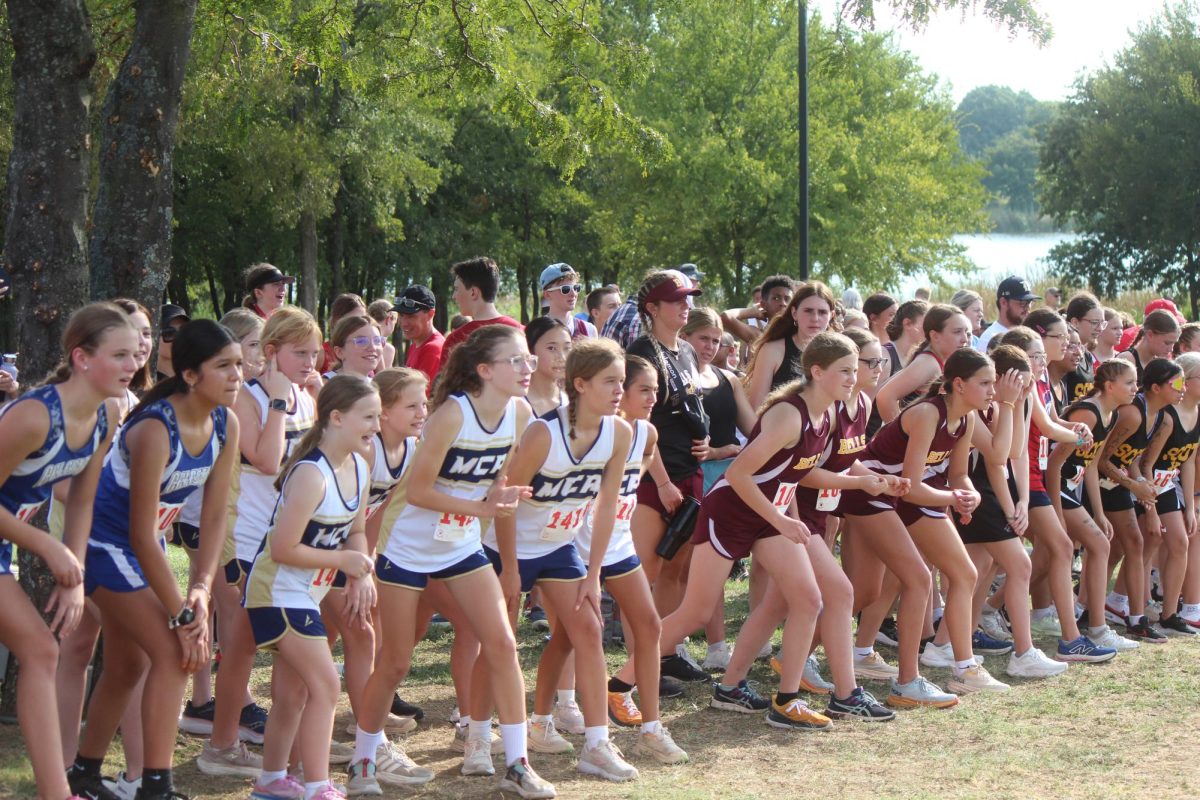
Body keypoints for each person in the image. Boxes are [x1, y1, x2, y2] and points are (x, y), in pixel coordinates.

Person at [658, 333, 899, 727]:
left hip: (779, 512)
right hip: (757, 511)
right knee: (699, 611)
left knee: (796, 600)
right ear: (817, 371)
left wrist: (868, 481)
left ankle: (750, 687)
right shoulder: (797, 412)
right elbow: (751, 474)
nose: (860, 376)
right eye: (851, 368)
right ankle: (622, 679)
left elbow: (807, 471)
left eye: (866, 367)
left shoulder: (837, 407)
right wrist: (784, 518)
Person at [371, 325, 555, 798]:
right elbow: (419, 490)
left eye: (526, 359)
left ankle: (516, 763)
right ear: (485, 370)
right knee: (394, 662)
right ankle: (362, 759)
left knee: (502, 644)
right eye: (515, 360)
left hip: (460, 546)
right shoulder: (452, 413)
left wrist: (500, 506)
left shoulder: (519, 412)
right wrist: (484, 508)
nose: (526, 366)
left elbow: (494, 489)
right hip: (405, 547)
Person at [73, 320, 241, 800]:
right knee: (175, 652)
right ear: (190, 375)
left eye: (240, 365)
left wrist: (202, 589)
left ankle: (84, 775)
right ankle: (155, 785)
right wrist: (184, 615)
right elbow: (141, 535)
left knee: (126, 665)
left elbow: (213, 520)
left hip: (141, 548)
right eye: (224, 366)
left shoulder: (227, 422)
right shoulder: (154, 428)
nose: (237, 376)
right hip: (104, 547)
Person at [1, 304, 136, 800]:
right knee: (42, 649)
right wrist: (45, 546)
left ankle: (53, 792)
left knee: (41, 649)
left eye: (134, 355)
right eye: (119, 354)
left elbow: (83, 497)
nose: (132, 364)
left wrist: (73, 573)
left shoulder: (107, 413)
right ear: (81, 357)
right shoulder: (35, 415)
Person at [847, 349, 1010, 706]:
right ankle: (950, 670)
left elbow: (958, 475)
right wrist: (953, 498)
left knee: (911, 579)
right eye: (984, 383)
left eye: (993, 383)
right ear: (958, 384)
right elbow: (913, 484)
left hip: (906, 494)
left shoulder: (965, 419)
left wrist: (968, 496)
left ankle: (868, 654)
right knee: (933, 577)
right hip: (878, 493)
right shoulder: (926, 413)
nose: (992, 392)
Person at [242, 376, 377, 800]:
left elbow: (356, 532)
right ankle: (318, 785)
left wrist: (361, 573)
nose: (377, 424)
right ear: (336, 418)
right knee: (326, 686)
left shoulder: (359, 464)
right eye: (368, 416)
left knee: (293, 693)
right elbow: (282, 548)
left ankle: (270, 781)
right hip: (276, 593)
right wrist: (342, 562)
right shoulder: (310, 474)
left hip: (305, 594)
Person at [624, 271, 710, 682]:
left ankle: (665, 651)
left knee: (676, 567)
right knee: (644, 573)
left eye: (688, 298)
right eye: (676, 300)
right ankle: (639, 662)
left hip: (687, 473)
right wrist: (660, 479)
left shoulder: (688, 352)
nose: (686, 305)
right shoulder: (642, 350)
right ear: (651, 308)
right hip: (652, 476)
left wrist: (707, 446)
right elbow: (636, 419)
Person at [1045, 359, 1135, 653]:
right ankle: (1097, 627)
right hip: (1055, 484)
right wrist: (1056, 512)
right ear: (1110, 386)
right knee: (1098, 545)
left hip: (1073, 485)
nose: (1136, 388)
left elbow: (1093, 465)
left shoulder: (1111, 413)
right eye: (1130, 383)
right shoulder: (1090, 411)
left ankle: (993, 607)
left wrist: (1098, 513)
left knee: (1045, 559)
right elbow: (1054, 464)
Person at [1095, 358, 1176, 642]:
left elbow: (1139, 461)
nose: (1180, 389)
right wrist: (1134, 485)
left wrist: (1144, 487)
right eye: (1174, 384)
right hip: (1095, 481)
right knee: (1094, 546)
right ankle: (1090, 611)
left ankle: (1134, 617)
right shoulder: (1131, 413)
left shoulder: (1164, 419)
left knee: (1130, 543)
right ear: (1155, 387)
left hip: (1118, 481)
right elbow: (1100, 458)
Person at [1132, 357, 1197, 634]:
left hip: (1168, 483)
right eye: (1180, 382)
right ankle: (1137, 604)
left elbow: (1189, 461)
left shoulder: (1196, 413)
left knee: (1180, 542)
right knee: (1146, 543)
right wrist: (1150, 506)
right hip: (1147, 483)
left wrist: (1191, 505)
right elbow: (1146, 461)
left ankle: (1170, 613)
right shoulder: (1168, 417)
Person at [743, 280, 837, 410]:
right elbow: (756, 409)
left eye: (822, 312)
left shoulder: (838, 353)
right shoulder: (773, 350)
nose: (815, 318)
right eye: (808, 311)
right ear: (794, 313)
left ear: (831, 316)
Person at [874, 305, 972, 423]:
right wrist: (902, 436)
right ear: (935, 335)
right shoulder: (928, 363)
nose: (965, 339)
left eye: (966, 332)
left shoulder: (936, 360)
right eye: (957, 332)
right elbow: (885, 397)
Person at [440, 257, 524, 368]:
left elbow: (444, 384)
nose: (453, 296)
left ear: (473, 292)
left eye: (456, 289)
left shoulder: (456, 339)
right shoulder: (521, 331)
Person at [720, 275, 796, 346]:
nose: (783, 303)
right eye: (776, 298)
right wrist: (751, 311)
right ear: (763, 304)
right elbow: (725, 316)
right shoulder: (759, 336)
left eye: (787, 299)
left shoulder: (800, 332)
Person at [393, 285, 443, 386]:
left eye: (411, 316)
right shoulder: (416, 345)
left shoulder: (433, 349)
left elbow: (422, 398)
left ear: (430, 314)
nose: (404, 323)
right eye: (401, 315)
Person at [1118, 308, 1180, 384]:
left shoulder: (1159, 363)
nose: (1171, 349)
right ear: (1150, 335)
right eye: (1167, 343)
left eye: (1173, 343)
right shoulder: (1127, 360)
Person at [978, 276, 1040, 350]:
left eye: (1029, 302)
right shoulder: (989, 338)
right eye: (1022, 302)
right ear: (1003, 302)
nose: (1028, 307)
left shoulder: (1031, 335)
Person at [539, 263, 596, 339]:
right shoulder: (537, 331)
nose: (573, 294)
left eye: (576, 288)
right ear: (547, 295)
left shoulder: (589, 330)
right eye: (565, 289)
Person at [320, 293, 368, 374]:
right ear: (336, 321)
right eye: (353, 320)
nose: (360, 325)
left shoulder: (371, 350)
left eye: (364, 319)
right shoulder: (321, 353)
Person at [326, 315, 383, 379]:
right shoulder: (323, 386)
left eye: (377, 340)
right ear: (339, 352)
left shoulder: (377, 386)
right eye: (361, 341)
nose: (373, 348)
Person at [156, 304, 190, 381]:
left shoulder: (197, 378)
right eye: (169, 334)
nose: (179, 338)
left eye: (184, 331)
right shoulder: (143, 385)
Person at [366, 299, 399, 369]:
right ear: (388, 319)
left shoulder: (359, 340)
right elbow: (384, 378)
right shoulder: (388, 349)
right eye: (394, 323)